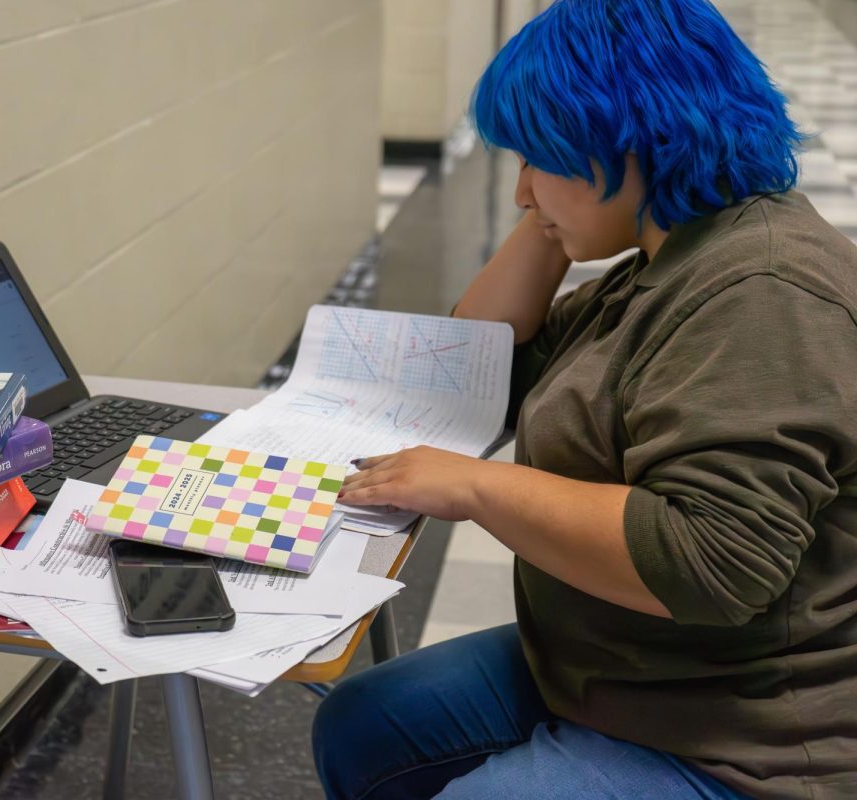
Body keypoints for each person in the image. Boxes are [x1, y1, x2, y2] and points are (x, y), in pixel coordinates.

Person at [313, 0, 857, 798]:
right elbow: (472, 374)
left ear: (630, 143)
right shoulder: (666, 256)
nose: (521, 192)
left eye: (539, 160)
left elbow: (713, 564)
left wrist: (476, 486)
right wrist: (557, 213)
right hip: (624, 669)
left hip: (746, 731)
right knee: (360, 724)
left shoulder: (762, 292)